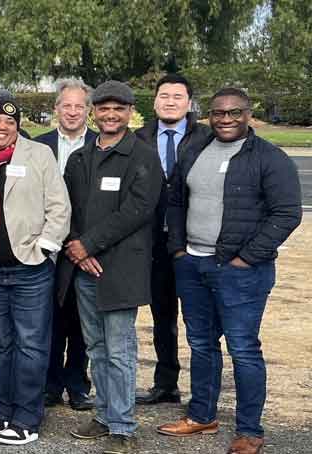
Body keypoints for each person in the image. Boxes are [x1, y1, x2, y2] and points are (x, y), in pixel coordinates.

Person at [157, 88, 302, 454]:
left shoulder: (269, 157)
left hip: (241, 272)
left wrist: (247, 257)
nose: (225, 119)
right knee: (201, 345)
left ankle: (249, 430)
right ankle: (202, 415)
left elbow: (287, 213)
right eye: (218, 113)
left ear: (248, 114)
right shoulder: (194, 149)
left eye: (234, 113)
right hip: (192, 264)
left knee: (243, 349)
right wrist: (178, 249)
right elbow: (175, 200)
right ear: (208, 115)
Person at [59, 81, 163, 454]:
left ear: (130, 111)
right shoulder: (80, 158)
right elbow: (64, 207)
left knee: (119, 351)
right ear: (93, 111)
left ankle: (123, 426)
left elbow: (137, 210)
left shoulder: (143, 157)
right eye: (103, 108)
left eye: (119, 108)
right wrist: (77, 249)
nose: (110, 114)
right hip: (84, 270)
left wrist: (89, 243)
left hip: (119, 270)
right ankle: (103, 415)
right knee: (96, 348)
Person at [0, 101, 71, 446]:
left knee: (30, 344)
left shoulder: (38, 155)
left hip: (30, 266)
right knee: (2, 345)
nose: (2, 127)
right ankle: (3, 411)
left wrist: (45, 247)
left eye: (9, 122)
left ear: (17, 126)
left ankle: (27, 417)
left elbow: (59, 206)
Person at [132, 74, 213, 407]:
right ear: (154, 101)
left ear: (189, 103)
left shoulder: (206, 137)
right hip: (153, 243)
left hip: (194, 241)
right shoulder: (139, 138)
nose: (170, 101)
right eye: (163, 95)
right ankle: (166, 384)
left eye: (177, 96)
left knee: (201, 321)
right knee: (162, 317)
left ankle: (205, 393)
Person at [34, 79, 98, 412]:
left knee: (81, 320)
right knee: (49, 320)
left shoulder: (101, 145)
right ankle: (49, 384)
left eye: (79, 106)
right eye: (66, 106)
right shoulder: (39, 145)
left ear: (88, 110)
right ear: (56, 109)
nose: (72, 112)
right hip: (47, 247)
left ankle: (77, 384)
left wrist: (83, 241)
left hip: (85, 247)